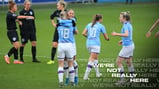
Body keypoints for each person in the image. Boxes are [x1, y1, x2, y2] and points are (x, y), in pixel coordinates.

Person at [82, 14, 109, 80]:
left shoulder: (89, 24)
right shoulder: (101, 26)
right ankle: (85, 76)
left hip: (88, 44)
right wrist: (108, 39)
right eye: (102, 19)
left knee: (95, 58)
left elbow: (83, 33)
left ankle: (97, 73)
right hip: (96, 44)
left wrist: (88, 37)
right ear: (100, 19)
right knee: (91, 59)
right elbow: (106, 37)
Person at [111, 11, 135, 85]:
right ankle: (132, 79)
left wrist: (116, 34)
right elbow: (129, 35)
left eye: (120, 17)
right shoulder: (129, 24)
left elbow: (127, 34)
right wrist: (122, 40)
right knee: (129, 62)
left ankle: (122, 80)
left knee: (118, 62)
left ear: (124, 18)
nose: (119, 18)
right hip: (130, 45)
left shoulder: (125, 25)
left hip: (127, 47)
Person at [57, 11, 78, 87]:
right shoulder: (72, 23)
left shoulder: (59, 24)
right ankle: (72, 82)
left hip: (61, 45)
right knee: (70, 64)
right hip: (69, 45)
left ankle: (61, 82)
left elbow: (58, 22)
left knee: (60, 65)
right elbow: (75, 31)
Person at [64, 9, 78, 85]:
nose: (71, 14)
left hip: (72, 44)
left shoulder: (73, 21)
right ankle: (67, 78)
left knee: (73, 60)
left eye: (73, 13)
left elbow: (76, 32)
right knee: (65, 61)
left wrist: (73, 28)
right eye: (70, 13)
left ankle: (75, 77)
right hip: (64, 44)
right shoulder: (63, 21)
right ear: (67, 14)